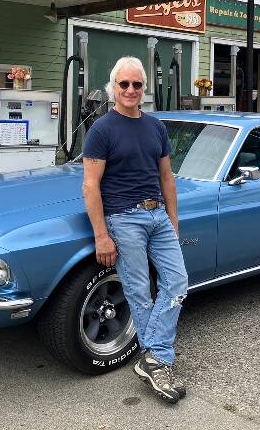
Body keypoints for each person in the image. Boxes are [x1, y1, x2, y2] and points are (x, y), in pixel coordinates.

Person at [81, 56, 189, 404]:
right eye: (124, 84)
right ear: (113, 87)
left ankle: (152, 357)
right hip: (124, 219)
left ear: (144, 88)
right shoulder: (102, 130)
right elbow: (90, 186)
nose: (130, 89)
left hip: (158, 216)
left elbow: (166, 177)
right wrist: (101, 235)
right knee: (139, 292)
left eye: (137, 84)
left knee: (178, 283)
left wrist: (173, 219)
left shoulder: (155, 127)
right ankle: (159, 362)